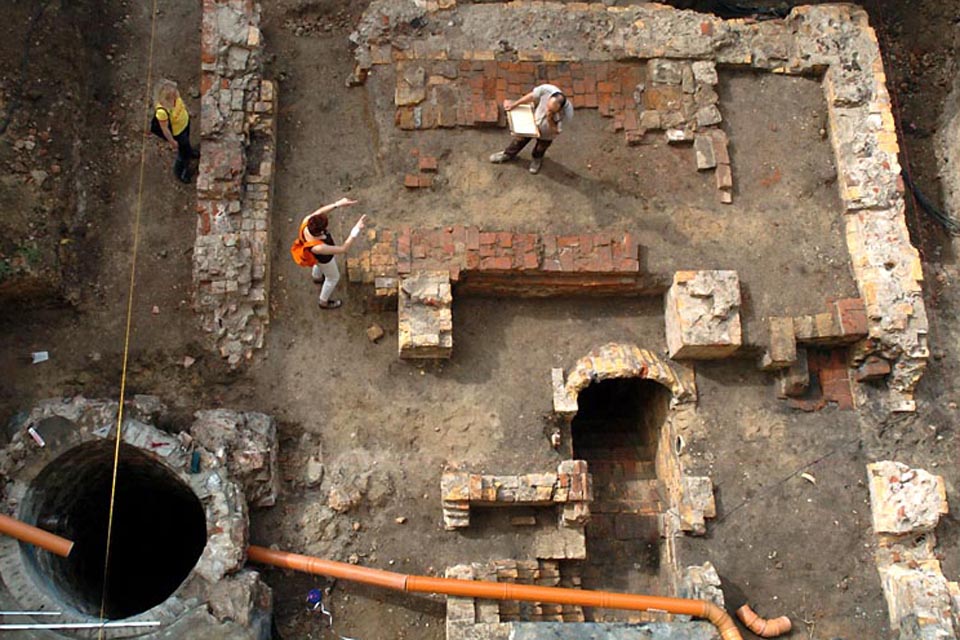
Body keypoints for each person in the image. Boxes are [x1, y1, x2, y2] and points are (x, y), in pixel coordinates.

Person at [298, 197, 366, 309]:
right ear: (320, 231)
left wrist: (337, 204)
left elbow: (319, 212)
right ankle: (323, 301)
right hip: (325, 259)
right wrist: (356, 229)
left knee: (317, 264)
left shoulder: (307, 221)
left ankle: (317, 277)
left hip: (315, 257)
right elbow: (343, 249)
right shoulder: (319, 247)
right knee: (333, 277)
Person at [489, 84, 574, 174]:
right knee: (519, 140)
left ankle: (536, 159)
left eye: (551, 110)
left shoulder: (567, 115)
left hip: (547, 134)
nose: (547, 110)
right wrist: (515, 104)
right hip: (533, 123)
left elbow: (555, 131)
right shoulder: (547, 90)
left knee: (540, 148)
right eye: (547, 106)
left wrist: (550, 119)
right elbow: (532, 96)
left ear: (559, 109)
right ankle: (508, 154)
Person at [153, 79, 198, 183]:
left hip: (185, 124)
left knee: (187, 144)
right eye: (174, 93)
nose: (177, 94)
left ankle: (190, 152)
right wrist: (172, 141)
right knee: (182, 155)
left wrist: (188, 113)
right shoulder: (162, 111)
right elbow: (165, 129)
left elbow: (182, 104)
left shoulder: (175, 96)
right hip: (178, 133)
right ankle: (181, 173)